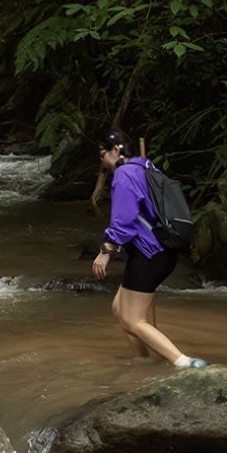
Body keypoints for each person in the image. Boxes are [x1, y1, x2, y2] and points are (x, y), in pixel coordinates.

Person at [89, 129, 208, 369]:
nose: (102, 160)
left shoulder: (124, 174)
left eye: (103, 155)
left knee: (132, 320)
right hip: (160, 251)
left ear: (116, 150)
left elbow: (124, 221)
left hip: (148, 253)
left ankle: (184, 362)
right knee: (119, 308)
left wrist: (105, 250)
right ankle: (142, 361)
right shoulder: (145, 168)